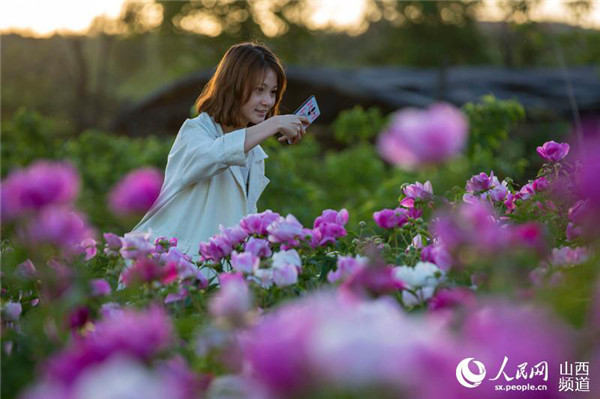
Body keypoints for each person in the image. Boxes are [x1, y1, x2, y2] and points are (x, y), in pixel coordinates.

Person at [129, 42, 308, 262]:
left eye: (272, 92)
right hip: (165, 266)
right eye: (259, 90)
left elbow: (239, 220)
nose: (268, 102)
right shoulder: (194, 132)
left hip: (212, 272)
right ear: (233, 86)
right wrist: (273, 125)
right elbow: (214, 156)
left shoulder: (254, 153)